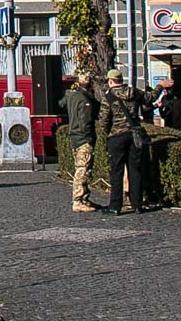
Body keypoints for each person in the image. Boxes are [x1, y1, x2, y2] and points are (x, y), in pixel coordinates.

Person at [98, 69, 147, 216]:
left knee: (116, 171)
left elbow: (104, 119)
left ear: (110, 81)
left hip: (117, 136)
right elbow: (150, 98)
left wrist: (107, 133)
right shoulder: (134, 92)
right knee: (135, 170)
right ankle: (137, 204)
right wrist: (160, 86)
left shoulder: (109, 96)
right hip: (134, 135)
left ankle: (115, 206)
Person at [63, 71, 100, 212]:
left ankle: (84, 198)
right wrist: (89, 137)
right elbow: (86, 120)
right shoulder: (85, 100)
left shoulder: (71, 95)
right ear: (90, 84)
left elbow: (61, 103)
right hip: (83, 137)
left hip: (74, 135)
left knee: (82, 168)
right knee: (83, 169)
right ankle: (78, 200)